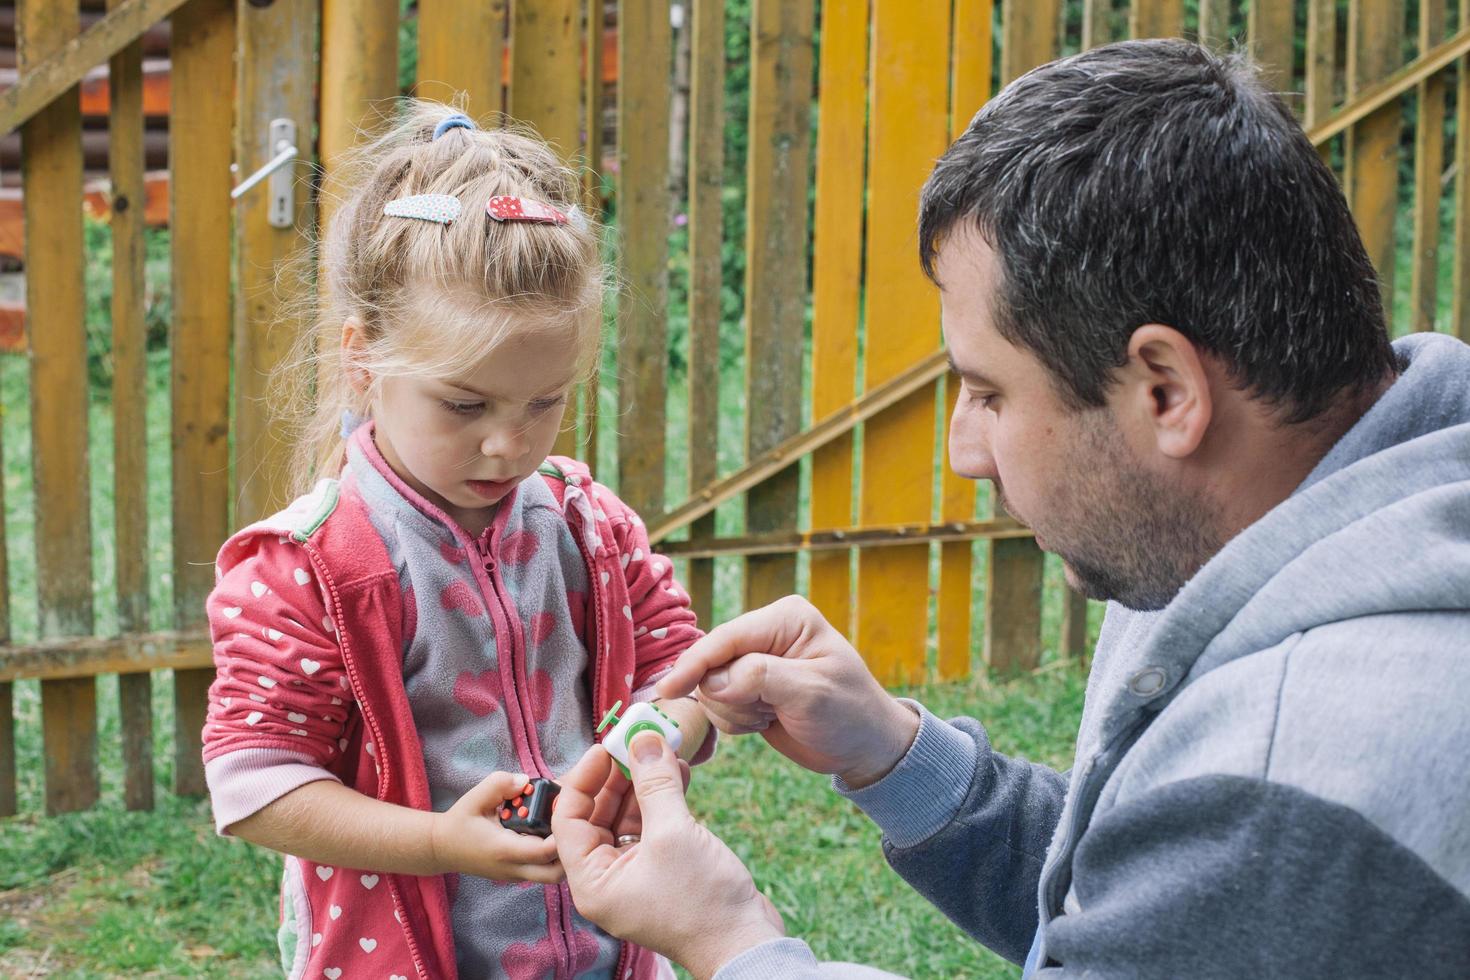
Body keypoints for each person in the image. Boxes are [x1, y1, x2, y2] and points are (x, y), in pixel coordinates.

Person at [552, 39, 1470, 979]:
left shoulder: (1297, 763)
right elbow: (1159, 918)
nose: (962, 454)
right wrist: (897, 758)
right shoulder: (1286, 523)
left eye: (988, 393)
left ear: (1165, 391)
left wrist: (729, 938)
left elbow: (1227, 871)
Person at [200, 103, 712, 980]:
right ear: (363, 360)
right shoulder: (309, 569)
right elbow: (257, 786)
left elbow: (684, 674)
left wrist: (650, 749)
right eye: (465, 405)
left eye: (544, 401)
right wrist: (441, 841)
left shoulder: (589, 524)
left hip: (611, 951)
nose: (508, 444)